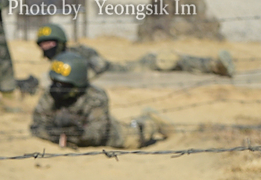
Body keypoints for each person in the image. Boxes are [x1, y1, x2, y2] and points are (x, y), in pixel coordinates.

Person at [30, 52, 170, 148]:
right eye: (55, 81)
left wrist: (67, 129)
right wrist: (63, 134)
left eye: (64, 84)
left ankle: (150, 119)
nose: (58, 87)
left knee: (138, 135)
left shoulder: (95, 96)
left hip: (118, 138)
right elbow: (36, 126)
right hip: (79, 138)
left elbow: (95, 135)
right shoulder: (51, 92)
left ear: (77, 83)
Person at [36, 23, 235, 78]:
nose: (47, 49)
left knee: (168, 58)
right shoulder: (57, 65)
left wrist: (82, 74)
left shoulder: (81, 52)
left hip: (129, 69)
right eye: (43, 45)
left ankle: (213, 65)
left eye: (50, 44)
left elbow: (100, 65)